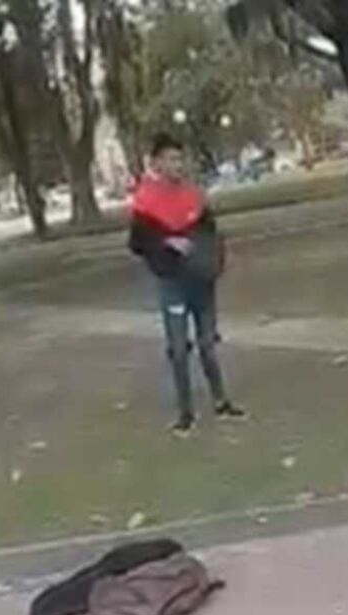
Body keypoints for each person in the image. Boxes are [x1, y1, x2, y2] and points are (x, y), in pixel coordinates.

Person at [128, 133, 246, 436]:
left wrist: (212, 257)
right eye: (170, 159)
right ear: (156, 163)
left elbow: (210, 230)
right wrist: (168, 242)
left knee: (208, 344)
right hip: (172, 283)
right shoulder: (146, 199)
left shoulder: (193, 195)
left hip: (200, 280)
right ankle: (185, 413)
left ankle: (221, 401)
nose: (177, 165)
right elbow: (137, 243)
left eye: (180, 158)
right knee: (179, 348)